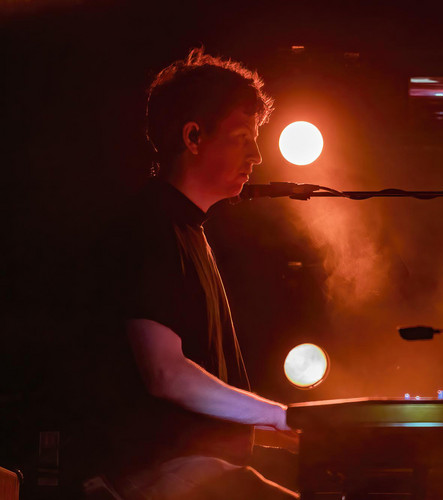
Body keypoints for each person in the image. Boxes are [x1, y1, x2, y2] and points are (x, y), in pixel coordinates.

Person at [75, 48, 298, 499]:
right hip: (152, 479)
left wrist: (303, 430)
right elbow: (165, 373)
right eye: (242, 137)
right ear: (193, 136)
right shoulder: (148, 226)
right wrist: (277, 415)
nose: (256, 156)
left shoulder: (187, 231)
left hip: (195, 472)